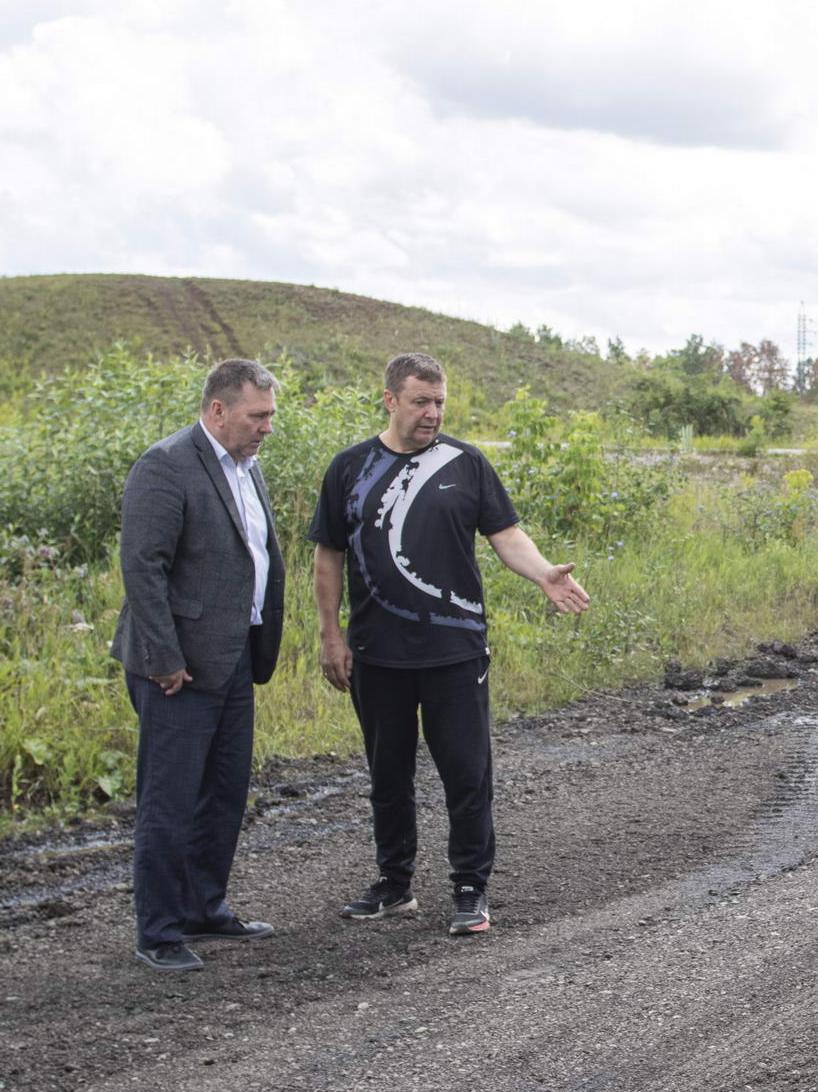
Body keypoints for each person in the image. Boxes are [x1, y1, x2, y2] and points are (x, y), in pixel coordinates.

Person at [311, 352, 590, 937]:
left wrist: (543, 574)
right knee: (387, 775)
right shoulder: (349, 469)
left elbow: (505, 534)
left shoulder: (466, 463)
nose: (432, 412)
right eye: (420, 401)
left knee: (466, 774)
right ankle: (394, 885)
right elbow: (328, 556)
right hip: (376, 652)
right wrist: (330, 634)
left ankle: (470, 886)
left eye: (439, 402)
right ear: (390, 400)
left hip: (454, 651)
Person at [112, 359, 286, 972]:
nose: (268, 427)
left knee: (224, 792)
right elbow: (143, 569)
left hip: (234, 655)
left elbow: (254, 554)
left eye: (270, 415)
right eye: (257, 415)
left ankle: (203, 908)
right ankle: (158, 930)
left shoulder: (246, 466)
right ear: (218, 411)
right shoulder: (165, 465)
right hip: (177, 666)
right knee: (170, 798)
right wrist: (163, 659)